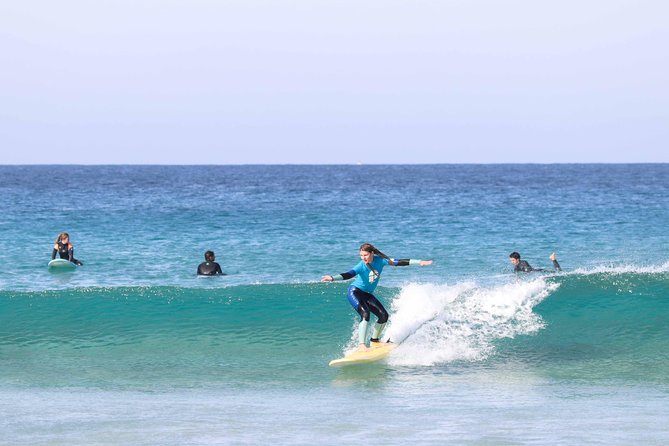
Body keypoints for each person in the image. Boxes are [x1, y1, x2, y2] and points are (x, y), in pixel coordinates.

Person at [321, 243, 432, 351]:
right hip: (355, 292)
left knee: (384, 316)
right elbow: (349, 274)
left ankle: (374, 341)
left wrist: (419, 262)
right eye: (361, 255)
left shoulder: (381, 260)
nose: (363, 258)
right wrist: (332, 278)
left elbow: (398, 262)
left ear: (372, 253)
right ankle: (362, 345)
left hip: (367, 294)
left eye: (365, 255)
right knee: (365, 314)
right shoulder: (361, 265)